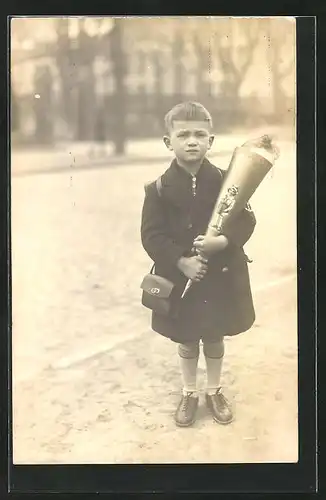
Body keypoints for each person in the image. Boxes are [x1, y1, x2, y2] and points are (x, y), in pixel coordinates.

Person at [141, 102, 256, 427]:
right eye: (183, 135)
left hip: (218, 276)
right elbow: (151, 235)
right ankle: (190, 392)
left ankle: (214, 390)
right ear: (169, 142)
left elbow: (246, 220)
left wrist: (223, 242)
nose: (192, 141)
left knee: (215, 334)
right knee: (188, 337)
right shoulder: (158, 190)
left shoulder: (227, 182)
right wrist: (181, 261)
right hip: (181, 279)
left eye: (199, 135)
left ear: (211, 141)